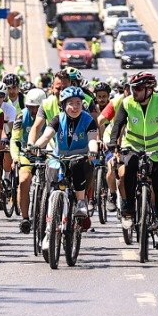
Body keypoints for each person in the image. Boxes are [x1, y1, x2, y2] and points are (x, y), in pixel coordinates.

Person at [107, 71, 158, 248]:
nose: (133, 92)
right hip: (134, 146)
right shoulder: (127, 103)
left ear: (149, 90)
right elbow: (118, 125)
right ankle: (128, 207)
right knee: (128, 167)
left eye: (137, 89)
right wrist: (113, 143)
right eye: (132, 88)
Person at [27, 84, 97, 229]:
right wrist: (35, 146)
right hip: (58, 158)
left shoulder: (88, 120)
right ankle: (48, 224)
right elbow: (46, 136)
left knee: (77, 166)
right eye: (71, 103)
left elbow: (92, 140)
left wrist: (93, 151)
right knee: (51, 183)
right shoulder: (58, 119)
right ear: (63, 105)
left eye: (78, 103)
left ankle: (81, 203)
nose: (75, 107)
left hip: (81, 158)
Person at [11, 87, 46, 233]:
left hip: (46, 153)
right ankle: (25, 218)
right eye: (30, 108)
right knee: (24, 180)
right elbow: (15, 139)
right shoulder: (21, 116)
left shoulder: (50, 115)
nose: (33, 111)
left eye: (36, 108)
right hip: (27, 153)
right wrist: (15, 158)